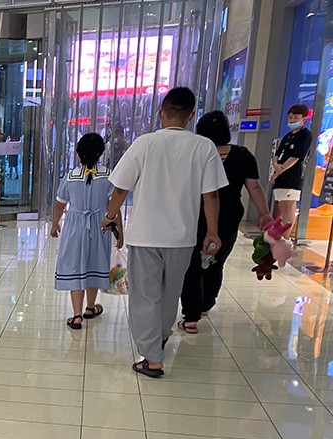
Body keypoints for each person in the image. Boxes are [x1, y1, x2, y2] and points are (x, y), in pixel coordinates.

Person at [103, 87, 228, 378]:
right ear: (191, 115)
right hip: (182, 237)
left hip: (145, 235)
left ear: (161, 112)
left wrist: (110, 216)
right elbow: (211, 195)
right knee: (170, 294)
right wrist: (212, 232)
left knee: (145, 296)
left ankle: (152, 357)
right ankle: (158, 341)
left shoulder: (144, 144)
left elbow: (120, 188)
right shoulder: (204, 147)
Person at [179, 111, 274, 333]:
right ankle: (206, 304)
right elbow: (254, 187)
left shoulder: (196, 153)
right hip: (229, 216)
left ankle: (191, 316)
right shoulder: (243, 155)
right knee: (216, 260)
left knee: (192, 264)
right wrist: (264, 213)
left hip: (197, 214)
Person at [51, 133, 123, 330]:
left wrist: (55, 224)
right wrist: (120, 232)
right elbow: (114, 207)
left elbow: (59, 205)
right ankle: (90, 308)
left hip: (74, 227)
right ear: (101, 153)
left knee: (76, 267)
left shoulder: (70, 177)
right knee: (94, 264)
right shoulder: (108, 176)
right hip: (101, 226)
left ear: (78, 154)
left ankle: (76, 316)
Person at [271, 104, 313, 240]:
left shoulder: (305, 135)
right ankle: (280, 234)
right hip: (281, 176)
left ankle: (285, 237)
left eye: (296, 117)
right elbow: (277, 153)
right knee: (281, 206)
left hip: (292, 177)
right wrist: (276, 165)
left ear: (303, 119)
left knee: (288, 206)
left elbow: (296, 157)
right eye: (290, 117)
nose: (292, 120)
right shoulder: (288, 136)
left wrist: (279, 170)